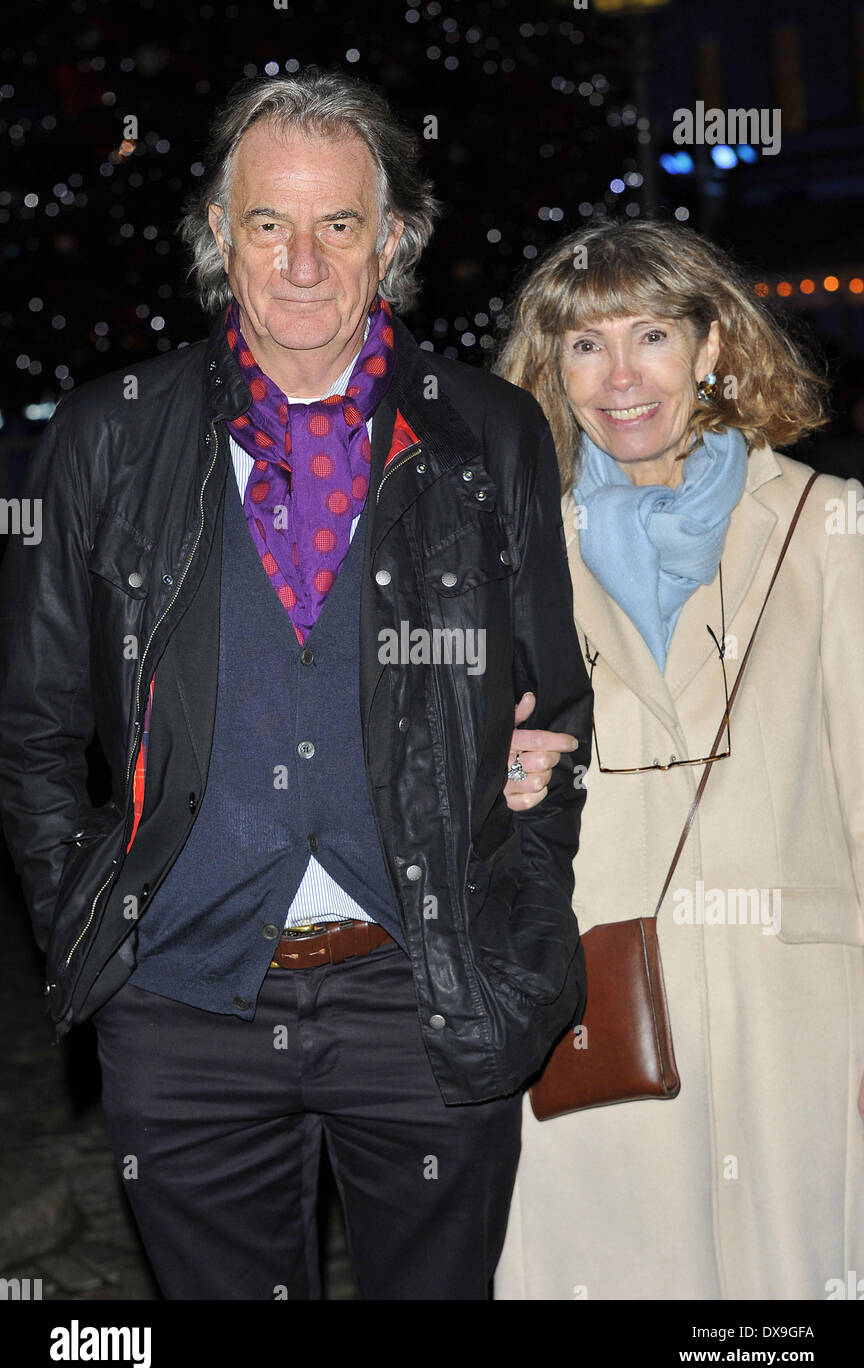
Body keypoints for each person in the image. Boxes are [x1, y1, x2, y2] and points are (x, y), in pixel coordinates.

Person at [0, 69, 592, 1301]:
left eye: (340, 225)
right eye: (269, 222)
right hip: (182, 1002)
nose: (304, 262)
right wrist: (89, 922)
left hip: (426, 986)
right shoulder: (109, 435)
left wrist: (516, 929)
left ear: (396, 239)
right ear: (222, 237)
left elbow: (558, 714)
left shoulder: (489, 432)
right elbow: (36, 724)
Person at [495, 218, 864, 1300]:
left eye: (651, 334)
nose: (621, 378)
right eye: (584, 345)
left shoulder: (825, 525)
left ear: (712, 347)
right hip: (595, 1005)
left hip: (796, 1008)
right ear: (551, 372)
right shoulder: (511, 549)